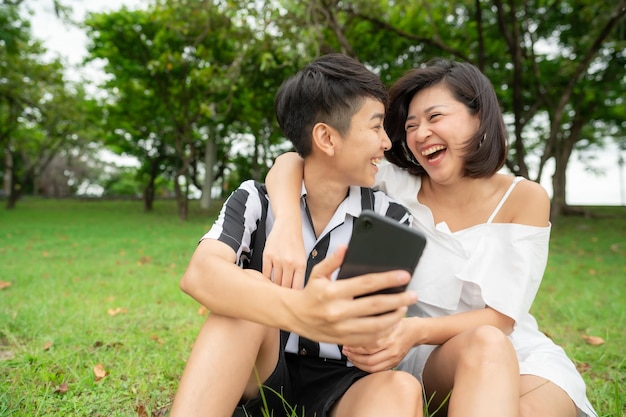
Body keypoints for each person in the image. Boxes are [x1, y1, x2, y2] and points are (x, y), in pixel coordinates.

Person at [263, 58, 598, 417]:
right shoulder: (393, 183)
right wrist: (284, 224)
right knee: (484, 348)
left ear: (479, 116)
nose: (420, 133)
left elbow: (501, 320)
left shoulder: (525, 197)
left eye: (435, 117)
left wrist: (413, 330)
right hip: (426, 355)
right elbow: (294, 161)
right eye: (411, 125)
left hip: (516, 351)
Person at [169, 53, 424, 417]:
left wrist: (382, 341)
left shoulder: (388, 217)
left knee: (401, 388)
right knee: (243, 303)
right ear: (327, 137)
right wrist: (299, 312)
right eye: (375, 126)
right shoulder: (257, 200)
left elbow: (379, 325)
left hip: (345, 385)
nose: (386, 142)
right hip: (264, 372)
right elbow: (201, 274)